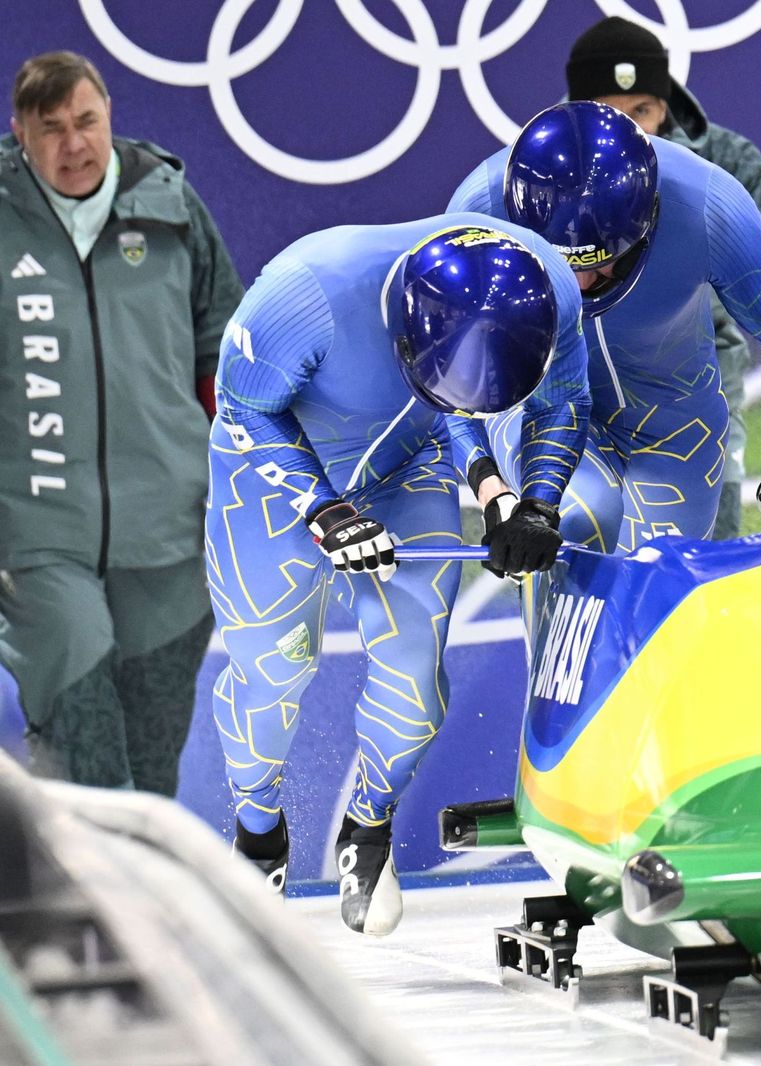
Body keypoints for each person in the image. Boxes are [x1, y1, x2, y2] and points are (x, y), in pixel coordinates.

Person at [208, 219, 588, 934]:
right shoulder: (301, 294)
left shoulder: (551, 287)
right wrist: (323, 510)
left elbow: (555, 403)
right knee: (272, 676)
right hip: (272, 478)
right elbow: (244, 408)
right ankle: (259, 836)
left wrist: (525, 504)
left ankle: (369, 828)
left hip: (405, 469)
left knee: (414, 684)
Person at [0, 51, 242, 793]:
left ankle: (133, 900)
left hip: (167, 531)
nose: (74, 145)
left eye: (86, 122)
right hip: (35, 534)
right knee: (87, 744)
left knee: (150, 763)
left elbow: (225, 356)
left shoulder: (167, 203)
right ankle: (82, 903)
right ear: (20, 133)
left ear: (109, 117)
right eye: (52, 129)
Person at [448, 101, 761, 552]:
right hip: (538, 402)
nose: (577, 286)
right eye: (556, 264)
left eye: (601, 264)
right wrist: (489, 487)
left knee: (662, 594)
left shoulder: (710, 206)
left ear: (649, 222)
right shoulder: (478, 211)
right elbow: (439, 372)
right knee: (580, 522)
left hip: (674, 425)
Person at [564, 15, 761, 537]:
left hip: (703, 365)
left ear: (666, 102)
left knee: (711, 521)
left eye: (642, 110)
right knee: (580, 527)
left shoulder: (729, 160)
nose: (630, 127)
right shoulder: (548, 168)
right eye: (609, 111)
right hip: (580, 369)